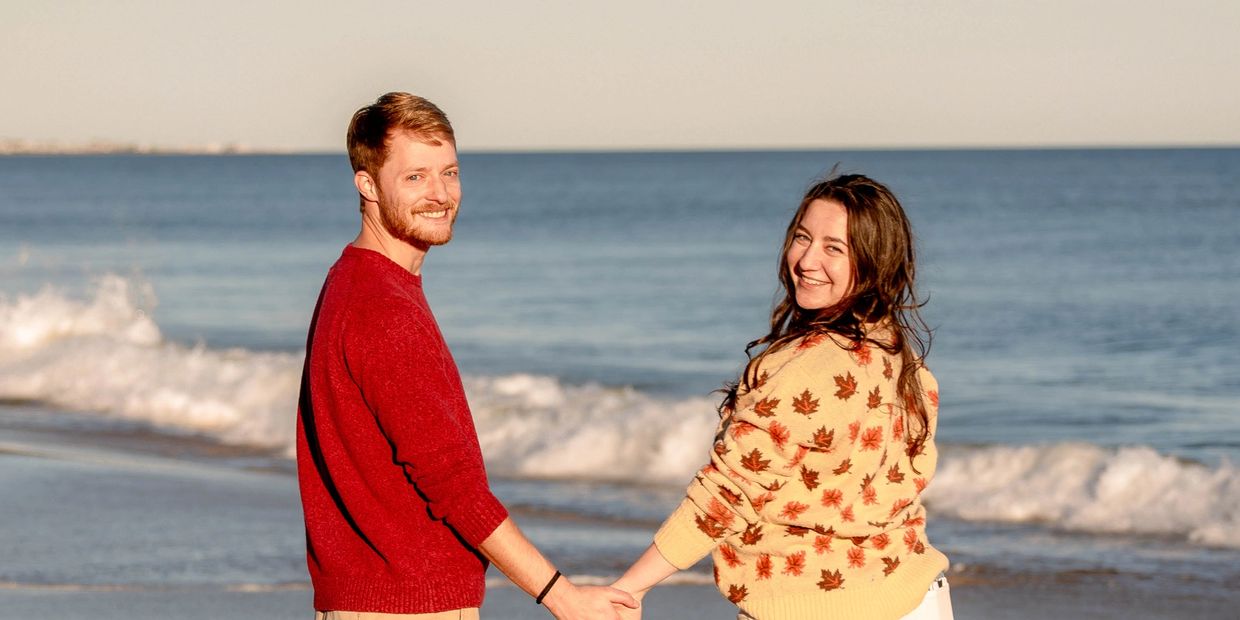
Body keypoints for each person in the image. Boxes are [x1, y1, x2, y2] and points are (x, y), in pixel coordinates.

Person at [296, 92, 637, 620]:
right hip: (407, 606)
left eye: (449, 173)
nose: (440, 194)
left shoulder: (356, 281)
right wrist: (565, 598)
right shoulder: (382, 308)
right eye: (415, 177)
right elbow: (453, 487)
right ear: (367, 184)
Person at [611, 174, 953, 619]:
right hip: (919, 597)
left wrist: (628, 588)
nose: (806, 260)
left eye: (835, 248)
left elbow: (728, 494)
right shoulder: (902, 358)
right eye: (802, 237)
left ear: (874, 262)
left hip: (822, 607)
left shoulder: (805, 368)